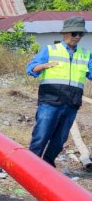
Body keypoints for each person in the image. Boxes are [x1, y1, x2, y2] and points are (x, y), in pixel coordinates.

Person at [26, 17, 91, 167]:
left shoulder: (86, 55)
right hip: (50, 100)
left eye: (81, 34)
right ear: (65, 33)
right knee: (41, 134)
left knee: (60, 139)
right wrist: (43, 66)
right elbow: (31, 68)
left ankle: (48, 164)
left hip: (71, 103)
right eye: (75, 33)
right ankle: (29, 166)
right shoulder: (50, 50)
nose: (77, 37)